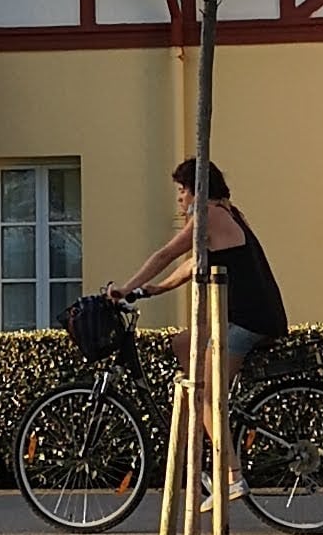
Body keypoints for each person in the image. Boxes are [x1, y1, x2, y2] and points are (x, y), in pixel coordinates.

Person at [110, 157, 287, 498]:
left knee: (206, 397)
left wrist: (123, 287)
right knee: (182, 344)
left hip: (249, 320)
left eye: (181, 190)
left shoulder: (211, 215)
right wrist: (151, 290)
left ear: (197, 190)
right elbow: (194, 264)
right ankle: (204, 427)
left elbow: (167, 255)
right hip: (238, 317)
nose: (179, 199)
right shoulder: (228, 213)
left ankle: (232, 475)